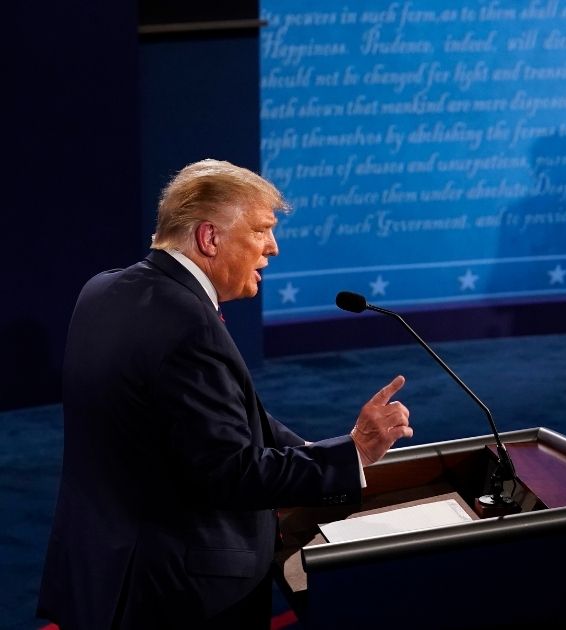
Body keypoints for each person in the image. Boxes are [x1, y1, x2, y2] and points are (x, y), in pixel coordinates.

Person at [38, 159, 415, 628]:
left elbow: (213, 415)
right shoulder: (187, 323)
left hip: (102, 569)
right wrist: (352, 453)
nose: (273, 248)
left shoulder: (105, 290)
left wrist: (322, 454)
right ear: (210, 237)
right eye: (261, 230)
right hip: (176, 596)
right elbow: (228, 472)